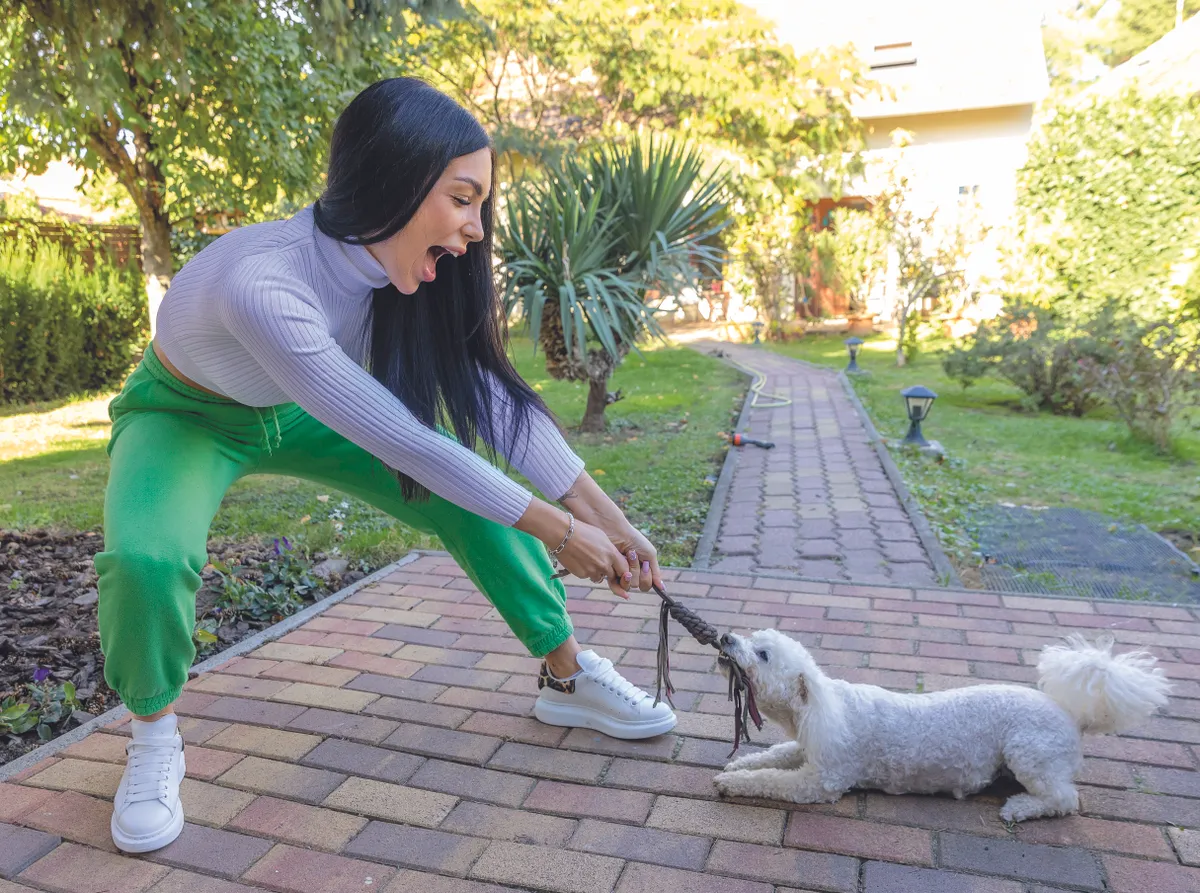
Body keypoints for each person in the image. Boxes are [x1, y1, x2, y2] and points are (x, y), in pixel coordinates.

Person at [95, 77, 676, 855]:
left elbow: (489, 404)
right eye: (462, 199)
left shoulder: (404, 274)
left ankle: (568, 677)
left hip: (303, 403)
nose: (474, 228)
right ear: (396, 180)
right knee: (146, 557)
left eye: (481, 206)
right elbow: (409, 444)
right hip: (186, 411)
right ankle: (153, 733)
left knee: (472, 494)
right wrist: (561, 531)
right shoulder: (263, 282)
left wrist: (612, 521)